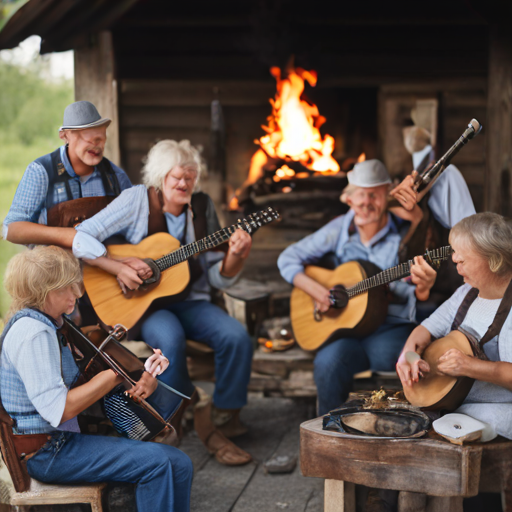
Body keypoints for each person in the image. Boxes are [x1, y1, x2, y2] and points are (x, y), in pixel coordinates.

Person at [54, 140, 254, 465]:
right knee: (170, 340)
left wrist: (236, 256)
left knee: (236, 337)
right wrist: (118, 265)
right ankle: (167, 426)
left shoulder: (202, 208)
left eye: (190, 176)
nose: (184, 184)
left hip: (191, 301)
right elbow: (83, 235)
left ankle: (224, 419)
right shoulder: (137, 200)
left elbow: (218, 276)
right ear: (160, 176)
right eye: (177, 177)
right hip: (144, 305)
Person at [0, 246, 193, 512]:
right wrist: (113, 377)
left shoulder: (50, 323)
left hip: (63, 440)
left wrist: (141, 376)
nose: (76, 295)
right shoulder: (34, 333)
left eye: (74, 285)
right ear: (41, 294)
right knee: (164, 463)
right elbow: (59, 409)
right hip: (48, 452)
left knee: (178, 463)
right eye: (65, 289)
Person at [278, 159, 437, 415]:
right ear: (349, 199)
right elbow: (286, 258)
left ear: (387, 196)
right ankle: (329, 434)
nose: (366, 202)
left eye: (374, 194)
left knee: (402, 357)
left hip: (388, 326)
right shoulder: (339, 229)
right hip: (347, 330)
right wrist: (318, 291)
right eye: (360, 194)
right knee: (327, 362)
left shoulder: (405, 237)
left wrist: (423, 289)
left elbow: (414, 294)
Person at [397, 212, 512, 440]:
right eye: (454, 253)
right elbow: (424, 330)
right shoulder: (466, 293)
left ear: (494, 259)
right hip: (452, 404)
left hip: (495, 408)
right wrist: (408, 357)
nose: (454, 260)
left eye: (463, 257)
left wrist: (470, 366)